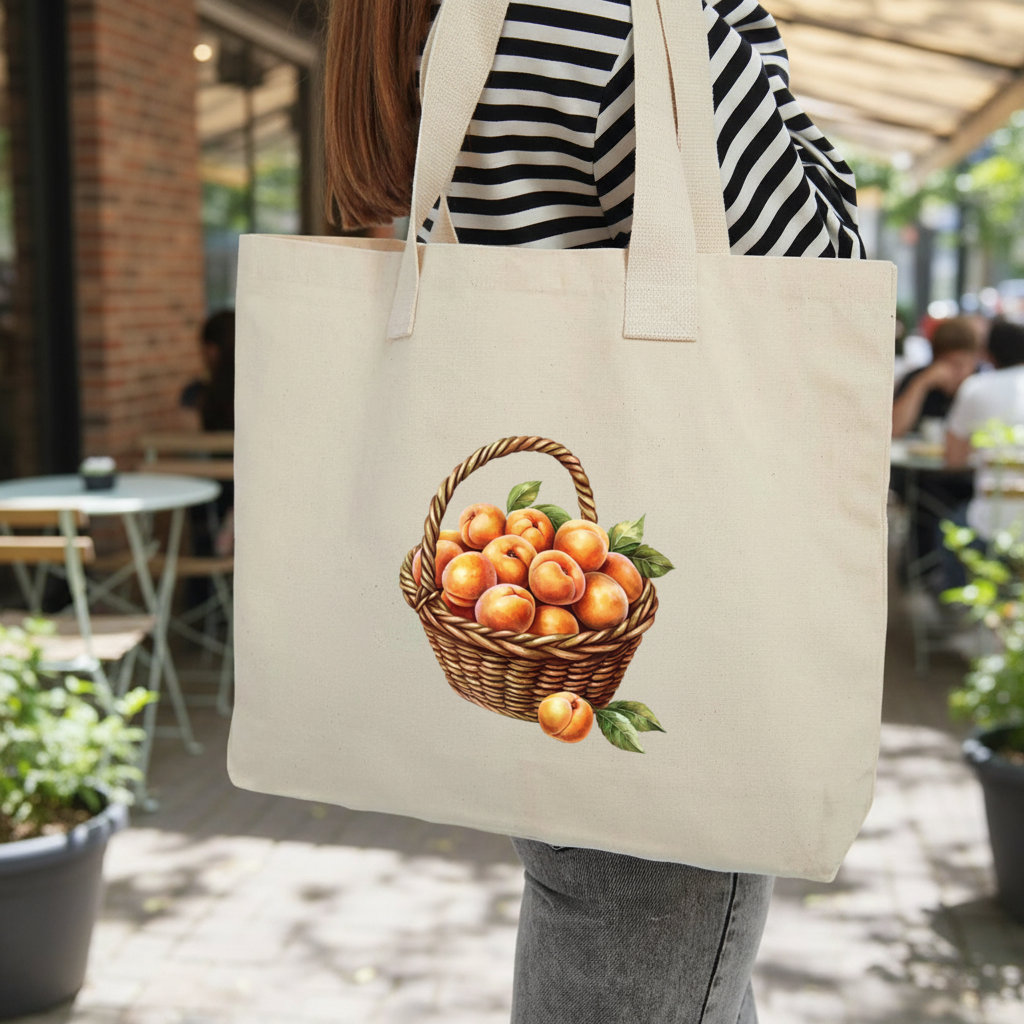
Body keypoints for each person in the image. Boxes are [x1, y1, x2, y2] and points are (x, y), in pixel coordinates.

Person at [324, 1, 865, 1021]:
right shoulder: (613, 14)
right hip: (675, 687)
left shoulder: (461, 20)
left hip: (551, 649)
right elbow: (820, 263)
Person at [946, 320, 1024, 541]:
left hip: (990, 527)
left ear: (989, 354)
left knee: (947, 530)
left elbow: (953, 459)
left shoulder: (976, 387)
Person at [892, 317, 980, 439]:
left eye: (961, 365)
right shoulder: (918, 378)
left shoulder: (980, 383)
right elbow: (893, 430)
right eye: (949, 364)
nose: (955, 373)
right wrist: (921, 384)